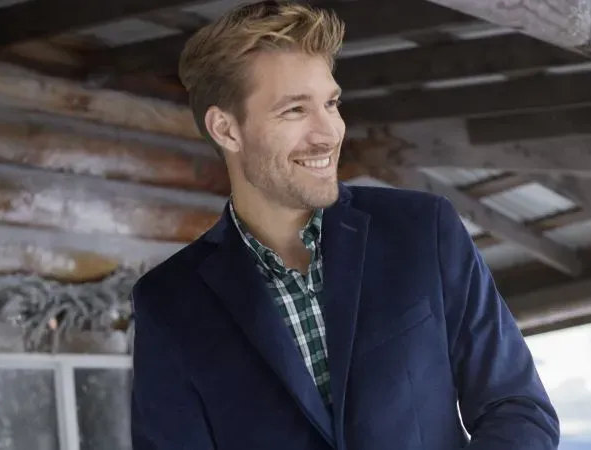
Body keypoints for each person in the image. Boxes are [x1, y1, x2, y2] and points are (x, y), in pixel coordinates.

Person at [129, 1, 560, 449]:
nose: (328, 133)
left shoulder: (422, 230)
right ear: (226, 129)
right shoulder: (168, 305)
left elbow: (517, 408)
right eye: (295, 110)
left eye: (331, 103)